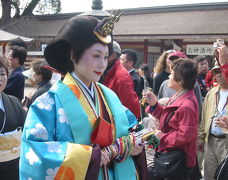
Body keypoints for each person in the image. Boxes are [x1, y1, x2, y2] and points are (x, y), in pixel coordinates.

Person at [20, 15, 147, 180]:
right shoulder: (47, 103)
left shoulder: (109, 96)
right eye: (96, 55)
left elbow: (133, 127)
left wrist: (134, 141)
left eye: (105, 56)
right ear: (73, 55)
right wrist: (87, 157)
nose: (102, 64)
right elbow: (35, 152)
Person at [143, 58, 199, 180]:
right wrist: (154, 105)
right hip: (172, 154)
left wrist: (162, 136)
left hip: (178, 159)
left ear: (181, 80)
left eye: (172, 74)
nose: (169, 76)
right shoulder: (179, 95)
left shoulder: (187, 105)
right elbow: (169, 118)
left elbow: (185, 135)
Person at [198, 63, 228, 180]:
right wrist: (201, 138)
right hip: (210, 141)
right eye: (216, 73)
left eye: (222, 72)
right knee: (209, 174)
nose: (219, 76)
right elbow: (204, 118)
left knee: (225, 175)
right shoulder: (211, 93)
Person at [0, 58, 26, 180]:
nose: (0, 78)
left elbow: (27, 130)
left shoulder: (14, 102)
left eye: (2, 73)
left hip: (13, 167)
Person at [102, 41, 140, 119]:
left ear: (112, 55)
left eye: (103, 53)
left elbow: (131, 108)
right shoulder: (106, 70)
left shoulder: (122, 76)